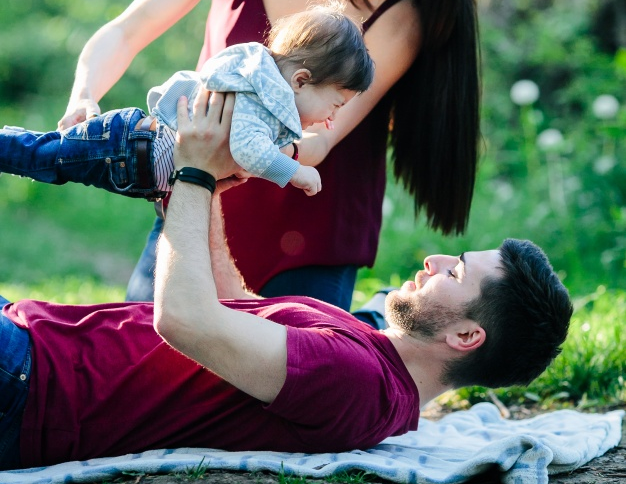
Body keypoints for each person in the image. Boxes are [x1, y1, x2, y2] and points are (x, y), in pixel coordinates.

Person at [0, 90, 572, 471]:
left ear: (468, 337)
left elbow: (186, 319)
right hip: (31, 343)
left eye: (458, 271)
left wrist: (195, 172)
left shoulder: (357, 383)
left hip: (31, 388)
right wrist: (193, 192)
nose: (435, 260)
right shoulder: (368, 352)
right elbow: (237, 307)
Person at [57, 0, 481, 310]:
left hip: (312, 225)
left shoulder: (400, 12)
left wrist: (248, 147)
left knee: (285, 393)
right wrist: (84, 96)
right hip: (197, 202)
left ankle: (375, 325)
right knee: (143, 365)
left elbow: (320, 140)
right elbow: (127, 29)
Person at [0, 6, 374, 199]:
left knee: (46, 156)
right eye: (336, 106)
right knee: (44, 158)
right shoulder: (260, 100)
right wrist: (296, 172)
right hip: (127, 149)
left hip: (132, 152)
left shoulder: (265, 93)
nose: (331, 119)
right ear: (301, 80)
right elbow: (250, 151)